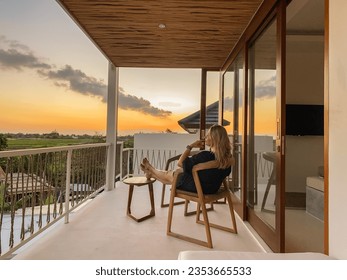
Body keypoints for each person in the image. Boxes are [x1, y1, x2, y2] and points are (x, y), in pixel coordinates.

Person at [140, 124, 234, 194]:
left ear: (214, 139)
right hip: (211, 189)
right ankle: (151, 174)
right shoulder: (227, 159)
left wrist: (190, 146)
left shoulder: (205, 156)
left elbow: (180, 162)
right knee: (173, 175)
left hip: (196, 187)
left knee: (172, 173)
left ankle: (151, 169)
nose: (205, 137)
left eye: (208, 135)